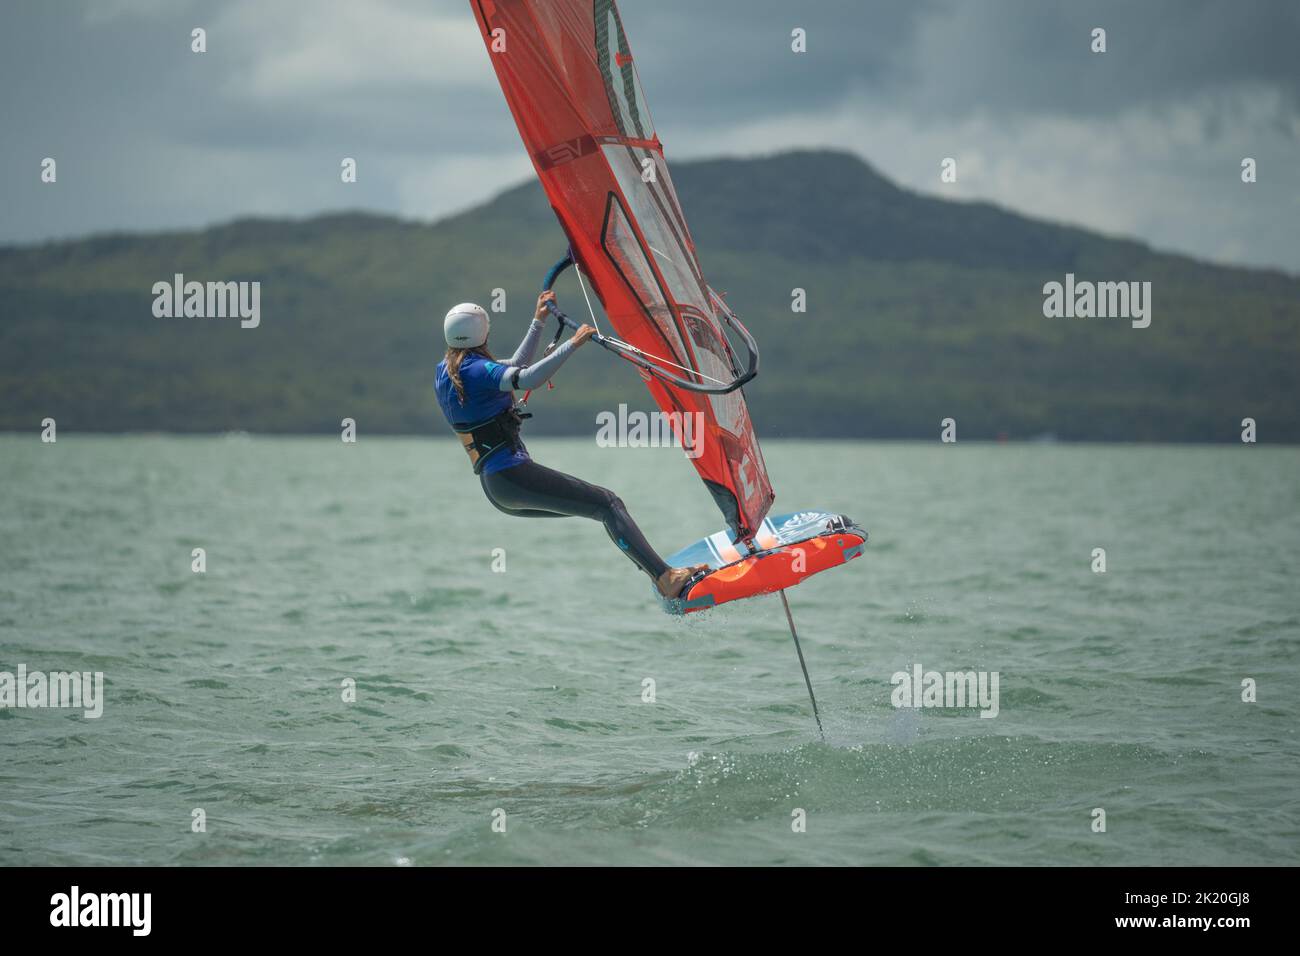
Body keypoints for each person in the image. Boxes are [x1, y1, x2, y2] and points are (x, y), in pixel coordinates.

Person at [434, 292, 707, 598]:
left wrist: (538, 322)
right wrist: (573, 343)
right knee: (608, 504)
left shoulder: (447, 372)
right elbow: (527, 377)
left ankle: (658, 574)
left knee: (601, 510)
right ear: (484, 332)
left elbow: (511, 366)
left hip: (497, 491)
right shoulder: (478, 371)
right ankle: (665, 577)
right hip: (513, 477)